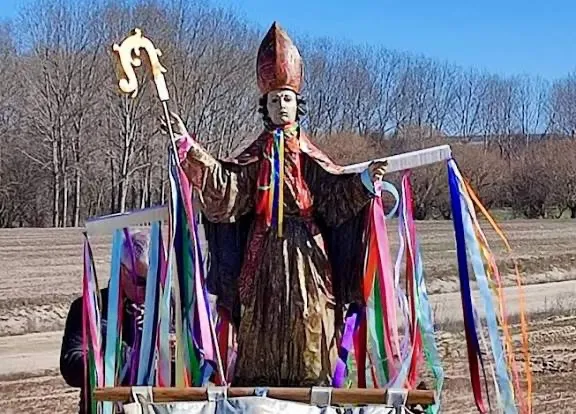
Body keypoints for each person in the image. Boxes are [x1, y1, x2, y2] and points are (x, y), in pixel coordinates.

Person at [162, 22, 388, 387]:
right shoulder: (256, 156)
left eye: (287, 98)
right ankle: (256, 390)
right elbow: (227, 189)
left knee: (309, 316)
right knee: (260, 318)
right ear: (264, 107)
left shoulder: (311, 156)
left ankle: (312, 387)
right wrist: (188, 146)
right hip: (263, 252)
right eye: (274, 99)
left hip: (307, 254)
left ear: (298, 104)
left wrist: (363, 181)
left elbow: (334, 198)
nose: (281, 104)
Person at [60, 230, 150, 414]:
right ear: (122, 271)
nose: (148, 289)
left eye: (155, 281)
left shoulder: (169, 306)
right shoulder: (89, 308)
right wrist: (122, 357)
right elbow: (71, 365)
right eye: (141, 281)